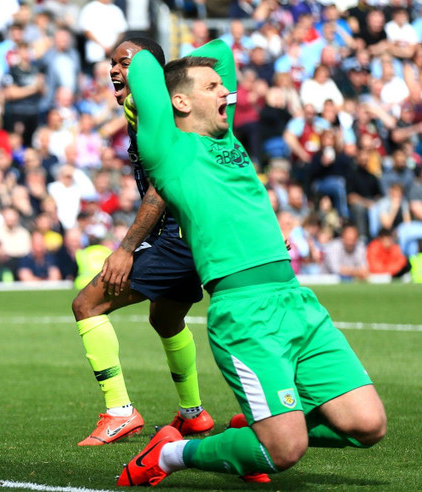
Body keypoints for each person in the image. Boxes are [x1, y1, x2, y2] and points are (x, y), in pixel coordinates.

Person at [118, 39, 385, 487]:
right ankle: (168, 454)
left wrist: (199, 76)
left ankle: (258, 430)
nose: (226, 91)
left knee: (368, 425)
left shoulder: (228, 140)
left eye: (222, 86)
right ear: (179, 102)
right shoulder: (168, 150)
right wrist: (162, 87)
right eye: (212, 87)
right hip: (244, 312)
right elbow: (142, 62)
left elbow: (221, 49)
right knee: (284, 450)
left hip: (297, 301)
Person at [71, 38, 216, 449]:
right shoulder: (146, 109)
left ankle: (120, 412)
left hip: (177, 238)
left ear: (150, 69)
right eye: (112, 63)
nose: (114, 70)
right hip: (190, 236)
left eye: (125, 62)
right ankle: (194, 414)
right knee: (166, 320)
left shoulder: (160, 110)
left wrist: (125, 249)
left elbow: (162, 187)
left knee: (87, 305)